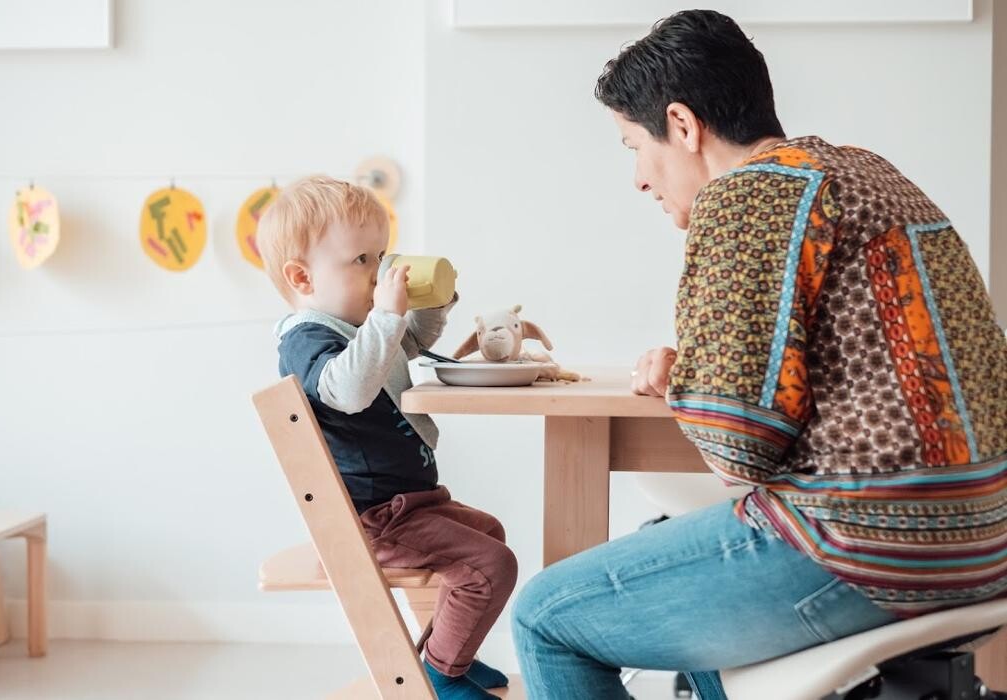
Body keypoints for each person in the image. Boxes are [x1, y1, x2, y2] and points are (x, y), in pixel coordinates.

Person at [511, 10, 1007, 699]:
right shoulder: (865, 173)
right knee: (690, 610)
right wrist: (697, 368)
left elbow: (735, 449)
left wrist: (687, 382)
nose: (638, 181)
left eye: (632, 147)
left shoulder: (747, 195)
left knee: (546, 617)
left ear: (681, 126)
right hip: (981, 538)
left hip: (865, 540)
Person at [257, 175, 517, 699]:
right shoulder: (306, 337)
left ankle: (449, 657)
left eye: (381, 255)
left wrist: (429, 303)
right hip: (377, 518)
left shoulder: (362, 327)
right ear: (302, 277)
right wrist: (386, 315)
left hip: (411, 502)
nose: (378, 272)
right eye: (361, 261)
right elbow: (347, 389)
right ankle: (443, 674)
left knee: (489, 533)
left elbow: (408, 342)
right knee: (491, 564)